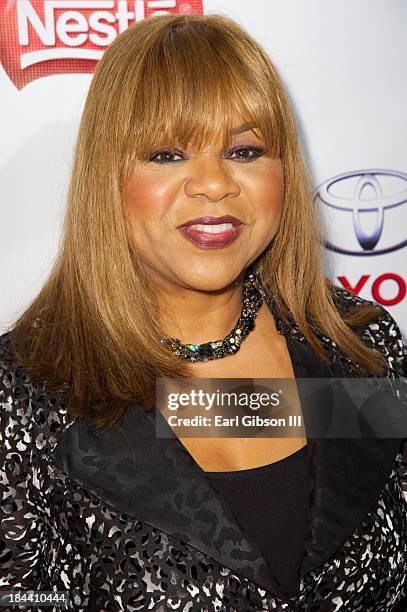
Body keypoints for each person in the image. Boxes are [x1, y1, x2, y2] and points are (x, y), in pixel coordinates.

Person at [1, 12, 406, 612]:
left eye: (244, 150)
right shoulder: (24, 391)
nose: (214, 184)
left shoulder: (357, 347)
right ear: (107, 178)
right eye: (167, 154)